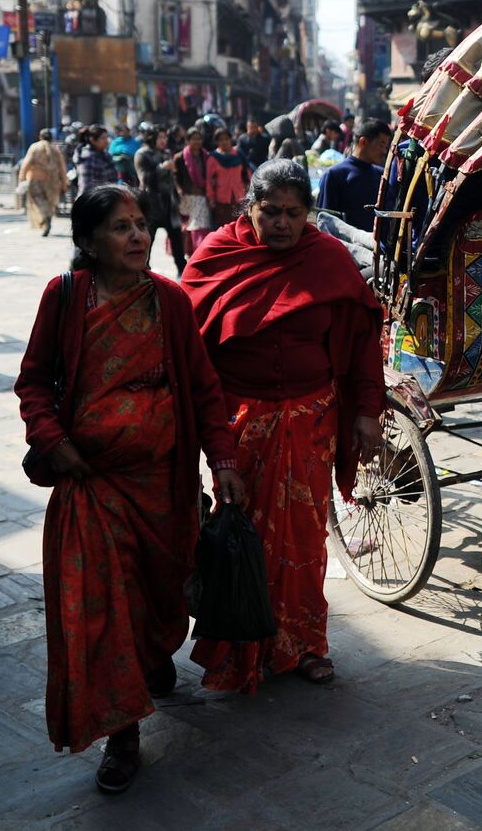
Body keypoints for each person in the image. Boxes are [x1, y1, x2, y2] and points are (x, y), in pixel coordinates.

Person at [15, 183, 246, 793]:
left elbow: (202, 388)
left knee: (157, 596)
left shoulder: (169, 301)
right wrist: (53, 439)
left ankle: (151, 658)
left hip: (164, 487)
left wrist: (221, 459)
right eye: (121, 227)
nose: (138, 236)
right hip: (91, 486)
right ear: (89, 241)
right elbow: (34, 380)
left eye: (141, 224)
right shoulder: (64, 298)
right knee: (99, 606)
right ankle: (122, 734)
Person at [183, 160, 383, 692]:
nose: (282, 223)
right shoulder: (219, 255)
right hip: (241, 425)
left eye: (295, 213)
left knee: (304, 539)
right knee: (242, 539)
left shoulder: (326, 257)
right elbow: (188, 350)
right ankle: (241, 652)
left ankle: (307, 645)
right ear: (249, 207)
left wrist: (367, 410)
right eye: (270, 211)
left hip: (313, 420)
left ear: (309, 215)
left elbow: (362, 343)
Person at [316, 118, 391, 233]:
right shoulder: (334, 175)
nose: (384, 152)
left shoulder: (381, 175)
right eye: (381, 145)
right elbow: (325, 223)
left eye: (386, 147)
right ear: (363, 142)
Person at [135, 127, 185, 275]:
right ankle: (142, 271)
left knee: (177, 238)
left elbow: (171, 179)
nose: (163, 141)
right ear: (152, 138)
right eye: (160, 137)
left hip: (169, 203)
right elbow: (145, 179)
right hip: (151, 204)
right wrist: (162, 168)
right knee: (147, 239)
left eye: (164, 137)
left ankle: (182, 270)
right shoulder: (142, 154)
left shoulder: (166, 153)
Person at [18, 128, 68, 236]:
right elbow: (62, 169)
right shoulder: (56, 150)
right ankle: (47, 217)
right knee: (50, 201)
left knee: (38, 200)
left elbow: (26, 163)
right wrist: (64, 184)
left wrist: (21, 177)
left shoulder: (35, 147)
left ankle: (46, 216)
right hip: (53, 181)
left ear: (40, 137)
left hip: (36, 179)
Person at [173, 127, 211, 254]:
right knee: (190, 226)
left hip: (202, 195)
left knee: (199, 225)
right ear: (187, 141)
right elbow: (175, 177)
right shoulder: (179, 157)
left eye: (199, 139)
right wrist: (179, 190)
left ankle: (200, 252)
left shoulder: (206, 156)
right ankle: (192, 252)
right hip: (187, 197)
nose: (197, 142)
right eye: (194, 139)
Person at [205, 128, 250, 230]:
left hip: (240, 198)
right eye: (220, 140)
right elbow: (209, 181)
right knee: (225, 230)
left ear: (231, 139)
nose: (224, 142)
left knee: (241, 228)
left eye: (226, 138)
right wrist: (211, 199)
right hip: (221, 200)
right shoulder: (213, 158)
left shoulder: (239, 154)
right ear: (216, 142)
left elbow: (247, 175)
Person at [75, 127, 119, 196]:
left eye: (106, 137)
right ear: (92, 140)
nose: (106, 141)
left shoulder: (105, 154)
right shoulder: (88, 157)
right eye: (103, 138)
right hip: (93, 201)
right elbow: (87, 186)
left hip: (107, 199)